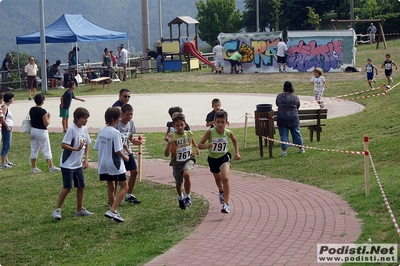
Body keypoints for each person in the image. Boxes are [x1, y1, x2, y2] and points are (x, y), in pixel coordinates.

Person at [52, 107, 93, 220]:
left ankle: (79, 209)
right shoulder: (72, 129)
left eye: (87, 118)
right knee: (67, 187)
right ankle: (57, 210)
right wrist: (76, 149)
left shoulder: (84, 129)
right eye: (84, 118)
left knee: (81, 186)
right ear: (77, 118)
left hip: (77, 164)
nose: (86, 120)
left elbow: (87, 143)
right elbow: (63, 145)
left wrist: (86, 158)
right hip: (67, 164)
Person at [198, 110, 240, 214]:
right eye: (218, 122)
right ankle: (221, 191)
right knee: (218, 180)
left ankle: (226, 204)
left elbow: (234, 140)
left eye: (222, 122)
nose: (220, 124)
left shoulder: (228, 132)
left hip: (224, 157)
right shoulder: (211, 132)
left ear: (226, 122)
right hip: (213, 159)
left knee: (225, 178)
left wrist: (237, 153)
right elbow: (199, 145)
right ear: (215, 122)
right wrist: (207, 146)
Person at [94, 107, 129, 223]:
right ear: (114, 118)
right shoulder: (115, 132)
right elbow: (118, 150)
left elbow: (97, 147)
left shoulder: (102, 130)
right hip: (115, 163)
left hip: (103, 163)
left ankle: (113, 210)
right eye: (119, 117)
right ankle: (113, 209)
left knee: (111, 186)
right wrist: (125, 157)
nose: (120, 119)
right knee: (125, 187)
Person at [164, 113, 199, 210]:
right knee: (179, 183)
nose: (180, 127)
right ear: (173, 126)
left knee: (186, 174)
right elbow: (166, 154)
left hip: (188, 158)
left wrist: (196, 148)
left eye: (182, 125)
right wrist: (170, 143)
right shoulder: (172, 136)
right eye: (177, 125)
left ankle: (188, 196)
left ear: (185, 124)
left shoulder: (189, 133)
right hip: (177, 162)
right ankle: (180, 197)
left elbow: (192, 140)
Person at [116, 104, 142, 204]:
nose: (129, 117)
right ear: (122, 115)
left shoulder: (131, 123)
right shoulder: (117, 124)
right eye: (127, 114)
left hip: (127, 151)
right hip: (117, 152)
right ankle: (112, 198)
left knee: (134, 171)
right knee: (116, 176)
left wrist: (134, 141)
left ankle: (129, 195)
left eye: (131, 114)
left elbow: (130, 137)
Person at [29, 94, 61, 173]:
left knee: (34, 149)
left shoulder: (32, 109)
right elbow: (46, 123)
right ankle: (51, 166)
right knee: (46, 148)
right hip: (41, 131)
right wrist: (49, 117)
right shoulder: (43, 111)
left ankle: (34, 167)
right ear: (42, 101)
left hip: (33, 130)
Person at [275, 81, 305, 157]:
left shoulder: (279, 97)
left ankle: (284, 151)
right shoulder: (295, 97)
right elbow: (298, 106)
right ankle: (301, 148)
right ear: (292, 88)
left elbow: (277, 104)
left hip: (282, 118)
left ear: (284, 88)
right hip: (293, 117)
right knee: (296, 133)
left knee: (283, 134)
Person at [1, 93, 14, 168]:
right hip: (7, 127)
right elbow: (3, 118)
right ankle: (3, 162)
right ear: (9, 99)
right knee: (6, 144)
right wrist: (7, 126)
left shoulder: (6, 106)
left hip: (8, 126)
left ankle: (6, 160)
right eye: (12, 98)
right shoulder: (4, 107)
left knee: (8, 144)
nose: (13, 100)